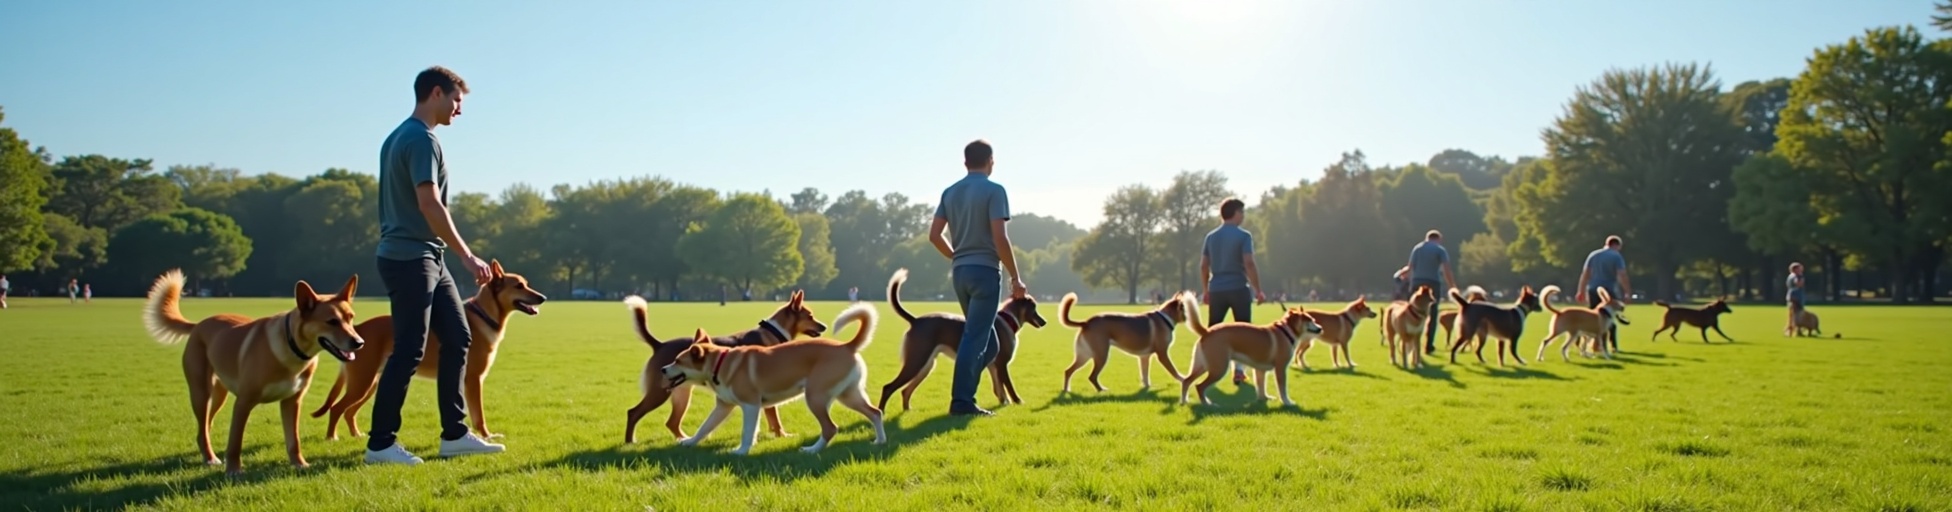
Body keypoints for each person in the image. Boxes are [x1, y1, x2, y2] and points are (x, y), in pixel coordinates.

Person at [364, 66, 503, 466]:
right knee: (409, 349)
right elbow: (429, 204)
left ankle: (455, 434)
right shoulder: (421, 140)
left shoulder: (397, 137)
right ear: (437, 93)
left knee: (459, 337)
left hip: (428, 256)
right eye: (457, 100)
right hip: (410, 257)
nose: (460, 109)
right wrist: (466, 254)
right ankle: (380, 444)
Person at [927, 139, 1026, 417]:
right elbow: (1000, 237)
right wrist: (1016, 278)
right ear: (990, 161)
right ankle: (962, 402)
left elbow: (934, 236)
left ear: (965, 162)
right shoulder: (995, 191)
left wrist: (954, 255)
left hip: (960, 273)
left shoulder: (950, 192)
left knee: (989, 341)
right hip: (984, 272)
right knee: (975, 337)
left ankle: (964, 386)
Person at [1200, 198, 1264, 385]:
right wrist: (1258, 289)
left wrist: (1206, 290)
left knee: (1212, 331)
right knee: (1244, 331)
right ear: (1235, 213)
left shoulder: (1211, 237)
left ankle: (1207, 366)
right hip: (1237, 287)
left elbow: (1204, 266)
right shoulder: (1244, 236)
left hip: (1217, 288)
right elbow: (1249, 263)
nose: (1243, 216)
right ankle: (1239, 371)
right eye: (1242, 212)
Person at [1575, 235, 1632, 352]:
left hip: (1592, 289)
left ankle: (1584, 342)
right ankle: (1610, 346)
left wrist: (1580, 290)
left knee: (1591, 319)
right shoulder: (1616, 256)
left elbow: (1585, 274)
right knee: (1608, 321)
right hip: (1608, 291)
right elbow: (1622, 274)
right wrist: (1627, 292)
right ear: (1617, 245)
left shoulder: (1593, 255)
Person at [1405, 230, 1457, 354]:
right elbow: (1446, 269)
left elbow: (1410, 267)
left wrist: (1403, 275)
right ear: (1438, 239)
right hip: (1433, 283)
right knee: (1432, 315)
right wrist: (1452, 286)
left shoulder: (1417, 248)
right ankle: (1428, 346)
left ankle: (1409, 341)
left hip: (1417, 282)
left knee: (1412, 313)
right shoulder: (1440, 250)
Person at [1783, 262, 1805, 336]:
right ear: (1795, 269)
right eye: (1799, 268)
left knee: (1791, 314)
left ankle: (1790, 330)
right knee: (1798, 314)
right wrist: (1801, 280)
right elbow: (1798, 284)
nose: (1801, 270)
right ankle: (1797, 330)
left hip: (1790, 296)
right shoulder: (1796, 276)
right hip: (1796, 297)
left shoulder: (1790, 276)